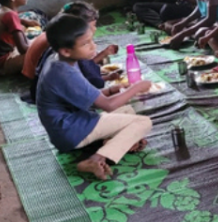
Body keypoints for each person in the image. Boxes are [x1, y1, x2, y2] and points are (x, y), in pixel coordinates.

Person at [37, 14, 152, 180]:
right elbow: (108, 105)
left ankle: (111, 143)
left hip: (67, 128)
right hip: (70, 131)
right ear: (66, 51)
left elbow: (88, 95)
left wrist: (113, 90)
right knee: (143, 122)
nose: (93, 46)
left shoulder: (60, 61)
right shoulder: (65, 72)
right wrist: (137, 87)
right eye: (85, 43)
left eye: (91, 40)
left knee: (127, 110)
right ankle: (96, 159)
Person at [24, 2, 119, 102]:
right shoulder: (61, 46)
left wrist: (104, 54)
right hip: (43, 90)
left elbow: (82, 66)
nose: (95, 29)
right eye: (93, 25)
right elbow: (88, 74)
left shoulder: (58, 34)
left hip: (36, 84)